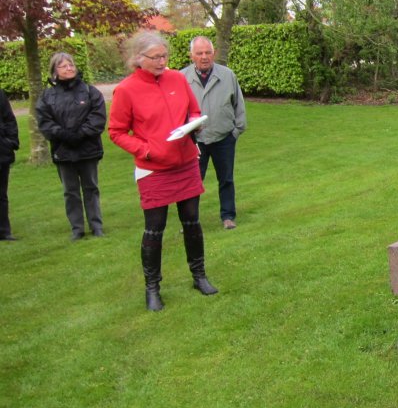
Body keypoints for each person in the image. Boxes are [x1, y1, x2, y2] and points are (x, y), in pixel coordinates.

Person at [108, 32, 218, 311]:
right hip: (154, 169)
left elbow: (194, 111)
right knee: (154, 229)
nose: (161, 61)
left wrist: (195, 123)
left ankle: (199, 275)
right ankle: (152, 288)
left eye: (164, 56)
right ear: (138, 58)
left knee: (192, 221)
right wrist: (146, 150)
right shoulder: (126, 90)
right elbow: (116, 132)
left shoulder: (177, 79)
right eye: (155, 57)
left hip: (185, 162)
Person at [36, 52, 107, 239]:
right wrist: (64, 135)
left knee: (91, 188)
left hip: (88, 148)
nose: (69, 68)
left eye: (71, 65)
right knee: (70, 191)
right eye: (63, 66)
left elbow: (98, 117)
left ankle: (96, 226)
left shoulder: (90, 91)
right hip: (63, 150)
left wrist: (81, 134)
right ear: (55, 71)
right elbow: (45, 122)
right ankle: (77, 229)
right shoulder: (47, 96)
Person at [181, 36, 246, 229]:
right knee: (193, 182)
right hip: (195, 141)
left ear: (214, 53)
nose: (204, 57)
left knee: (226, 179)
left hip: (224, 138)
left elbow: (239, 105)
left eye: (208, 52)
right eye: (199, 53)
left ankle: (228, 216)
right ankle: (190, 221)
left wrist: (236, 131)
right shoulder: (181, 78)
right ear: (191, 55)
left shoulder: (227, 75)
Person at [0, 87, 18, 241]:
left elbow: (9, 118)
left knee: (1, 194)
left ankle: (4, 231)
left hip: (1, 150)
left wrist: (11, 142)